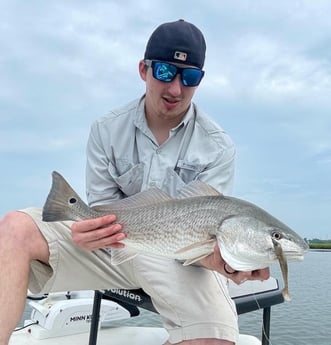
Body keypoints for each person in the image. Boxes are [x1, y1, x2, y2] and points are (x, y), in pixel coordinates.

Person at [0, 20, 270, 345]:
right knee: (15, 229)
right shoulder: (106, 129)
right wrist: (91, 230)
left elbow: (209, 236)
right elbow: (102, 207)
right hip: (111, 248)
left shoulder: (218, 146)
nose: (175, 89)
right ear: (144, 69)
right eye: (166, 73)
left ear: (200, 81)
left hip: (180, 258)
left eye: (190, 77)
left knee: (213, 339)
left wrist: (226, 261)